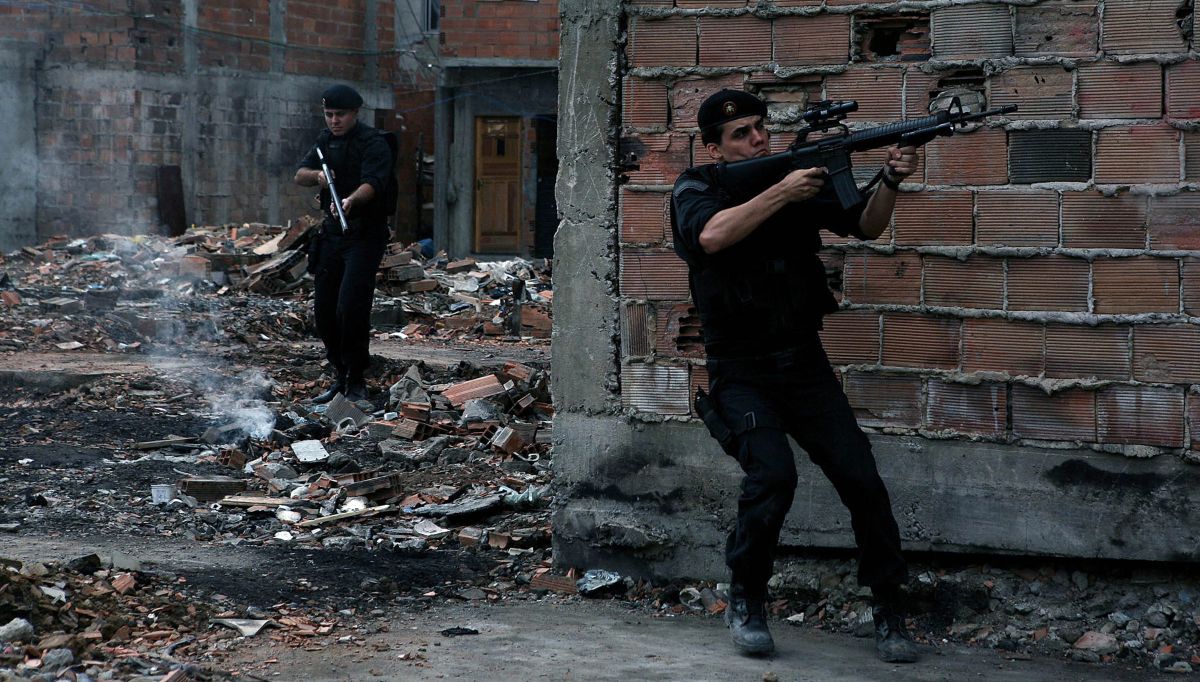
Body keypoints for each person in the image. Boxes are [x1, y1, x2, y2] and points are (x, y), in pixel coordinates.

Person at [670, 89, 921, 663]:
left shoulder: (797, 180)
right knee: (773, 479)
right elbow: (710, 236)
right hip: (740, 370)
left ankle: (888, 605)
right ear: (714, 148)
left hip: (803, 363)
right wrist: (782, 191)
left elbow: (866, 224)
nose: (757, 138)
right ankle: (747, 598)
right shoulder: (697, 188)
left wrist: (890, 179)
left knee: (862, 480)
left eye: (761, 127)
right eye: (741, 134)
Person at [295, 84, 394, 403]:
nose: (334, 121)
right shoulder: (325, 141)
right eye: (329, 114)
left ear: (355, 113)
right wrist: (318, 178)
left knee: (351, 306)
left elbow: (374, 183)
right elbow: (300, 174)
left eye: (340, 115)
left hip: (364, 233)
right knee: (324, 309)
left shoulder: (373, 142)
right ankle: (339, 374)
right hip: (332, 234)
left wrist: (351, 200)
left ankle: (356, 377)